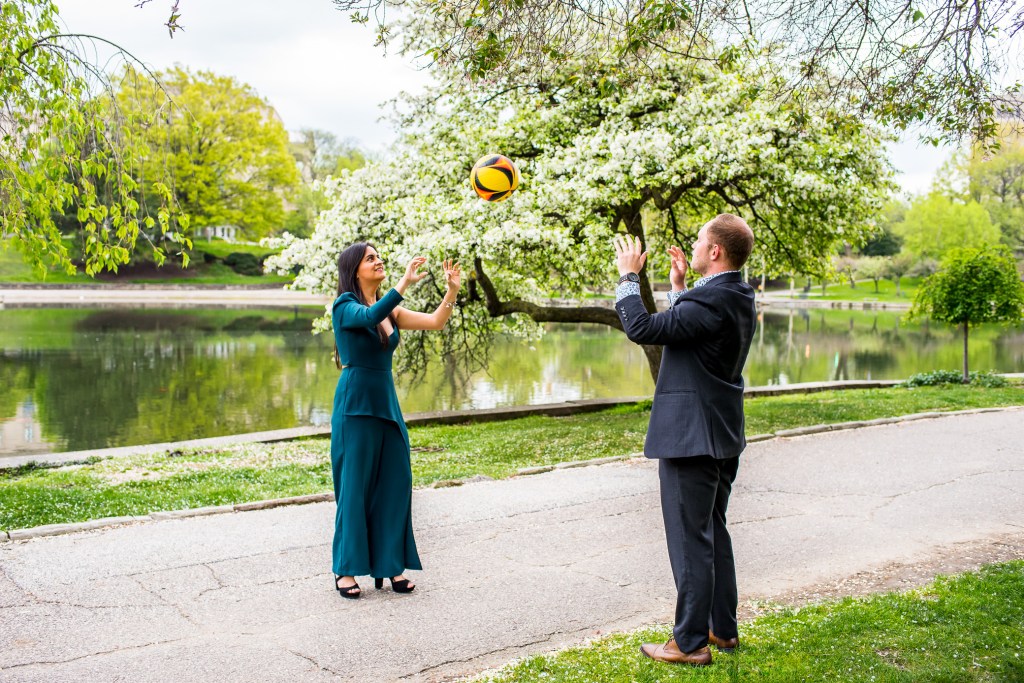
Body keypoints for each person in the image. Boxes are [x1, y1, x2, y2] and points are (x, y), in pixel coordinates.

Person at [612, 214, 756, 666]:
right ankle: (721, 629)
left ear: (715, 252)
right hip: (719, 434)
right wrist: (678, 288)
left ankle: (690, 642)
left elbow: (643, 329)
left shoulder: (712, 300)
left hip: (691, 439)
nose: (692, 247)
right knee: (712, 532)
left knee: (690, 539)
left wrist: (628, 279)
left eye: (699, 241)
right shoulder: (734, 295)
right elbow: (692, 330)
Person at [330, 241, 461, 599]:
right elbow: (368, 318)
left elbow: (436, 322)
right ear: (353, 269)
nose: (378, 261)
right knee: (355, 487)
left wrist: (451, 291)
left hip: (386, 405)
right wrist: (403, 284)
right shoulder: (345, 306)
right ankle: (345, 570)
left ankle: (391, 566)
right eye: (370, 258)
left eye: (378, 256)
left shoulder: (388, 310)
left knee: (395, 483)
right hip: (356, 406)